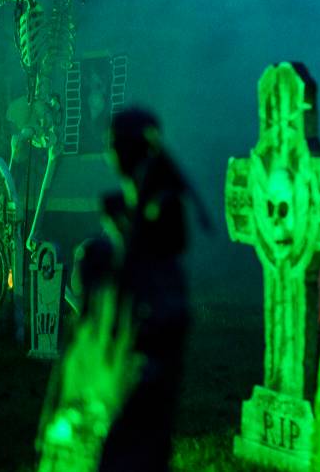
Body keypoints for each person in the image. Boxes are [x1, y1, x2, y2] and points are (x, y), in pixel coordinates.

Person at [97, 107, 207, 472]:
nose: (110, 153)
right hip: (140, 312)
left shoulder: (163, 199)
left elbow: (159, 249)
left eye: (116, 145)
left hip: (157, 316)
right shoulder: (136, 193)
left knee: (142, 422)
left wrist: (126, 227)